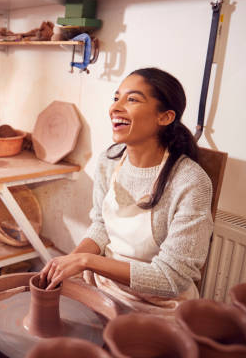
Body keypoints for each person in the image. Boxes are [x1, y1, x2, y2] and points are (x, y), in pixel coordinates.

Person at [38, 67, 213, 314]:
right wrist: (71, 262)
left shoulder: (191, 182)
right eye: (116, 98)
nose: (115, 108)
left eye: (131, 99)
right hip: (103, 284)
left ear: (165, 117)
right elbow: (101, 226)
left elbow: (171, 278)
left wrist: (86, 261)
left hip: (158, 305)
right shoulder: (108, 161)